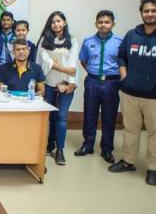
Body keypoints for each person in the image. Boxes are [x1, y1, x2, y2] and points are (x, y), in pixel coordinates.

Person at [108, 0, 156, 186]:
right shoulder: (132, 34)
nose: (150, 14)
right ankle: (128, 161)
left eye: (154, 10)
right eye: (146, 11)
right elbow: (122, 56)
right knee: (130, 130)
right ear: (141, 13)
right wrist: (124, 76)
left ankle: (154, 169)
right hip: (130, 93)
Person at [76, 10, 124, 164]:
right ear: (96, 24)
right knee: (89, 113)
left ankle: (107, 149)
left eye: (107, 22)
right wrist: (94, 73)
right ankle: (88, 145)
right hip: (92, 81)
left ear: (113, 24)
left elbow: (124, 63)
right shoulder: (88, 41)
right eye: (100, 22)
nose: (103, 25)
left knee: (109, 116)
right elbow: (83, 60)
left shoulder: (120, 41)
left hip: (111, 83)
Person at [37, 11, 79, 166]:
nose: (56, 24)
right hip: (49, 83)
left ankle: (60, 149)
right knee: (49, 116)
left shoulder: (72, 40)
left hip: (66, 84)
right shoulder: (44, 40)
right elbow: (44, 62)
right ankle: (49, 144)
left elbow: (73, 63)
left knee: (61, 116)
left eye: (59, 21)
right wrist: (66, 70)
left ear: (64, 22)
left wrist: (69, 83)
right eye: (53, 22)